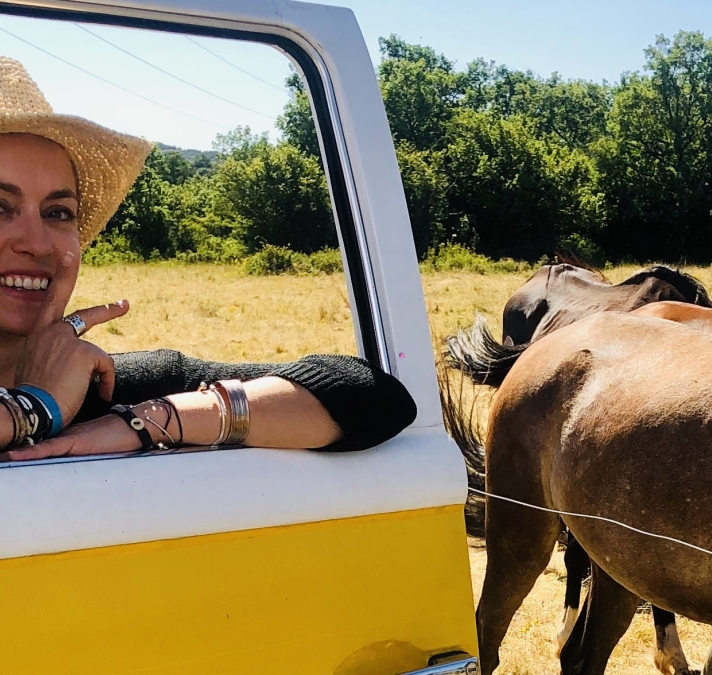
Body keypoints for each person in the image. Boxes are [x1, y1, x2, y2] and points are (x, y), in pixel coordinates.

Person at [0, 56, 416, 461]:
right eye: (0, 208)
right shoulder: (59, 396)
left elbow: (368, 396)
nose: (37, 244)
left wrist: (153, 421)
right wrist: (32, 408)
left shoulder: (111, 390)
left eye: (58, 213)